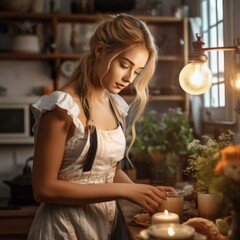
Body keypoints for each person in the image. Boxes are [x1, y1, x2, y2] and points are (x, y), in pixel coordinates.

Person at [27, 13, 175, 240]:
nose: (129, 78)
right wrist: (125, 191)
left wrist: (143, 193)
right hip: (63, 229)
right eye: (124, 64)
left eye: (136, 71)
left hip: (105, 226)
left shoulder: (116, 106)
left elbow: (108, 171)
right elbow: (43, 189)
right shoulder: (62, 107)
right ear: (100, 51)